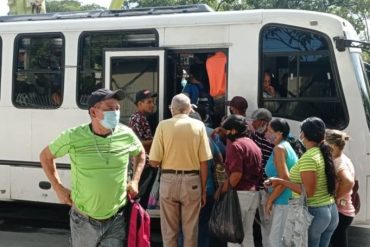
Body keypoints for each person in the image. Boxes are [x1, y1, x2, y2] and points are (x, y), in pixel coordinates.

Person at [39, 88, 146, 247]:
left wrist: (135, 180)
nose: (115, 113)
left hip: (116, 219)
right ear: (93, 112)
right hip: (84, 221)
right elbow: (45, 156)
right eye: (110, 109)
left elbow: (141, 153)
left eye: (117, 109)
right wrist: (58, 188)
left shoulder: (126, 134)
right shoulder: (74, 136)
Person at [149, 93, 212, 247]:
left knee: (169, 231)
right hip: (192, 181)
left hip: (168, 180)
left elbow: (154, 161)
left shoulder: (163, 126)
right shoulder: (199, 126)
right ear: (189, 109)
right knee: (191, 231)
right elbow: (204, 162)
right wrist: (203, 190)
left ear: (172, 109)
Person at [266, 117, 338, 247]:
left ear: (303, 134)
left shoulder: (309, 157)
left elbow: (308, 192)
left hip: (314, 212)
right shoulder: (322, 153)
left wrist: (281, 181)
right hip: (329, 209)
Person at [216, 114, 262, 247]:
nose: (227, 134)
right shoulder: (253, 144)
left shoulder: (236, 146)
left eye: (228, 130)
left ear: (234, 130)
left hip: (239, 194)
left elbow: (236, 175)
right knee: (247, 234)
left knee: (233, 235)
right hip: (253, 193)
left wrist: (222, 190)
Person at [264, 118, 298, 247]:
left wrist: (270, 200)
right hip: (284, 199)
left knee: (275, 241)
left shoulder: (279, 149)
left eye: (269, 130)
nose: (266, 133)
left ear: (279, 133)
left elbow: (284, 179)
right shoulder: (285, 146)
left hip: (282, 200)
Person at [128, 89, 159, 209]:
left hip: (147, 164)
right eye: (149, 102)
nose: (152, 105)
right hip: (143, 166)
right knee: (139, 200)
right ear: (140, 104)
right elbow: (138, 144)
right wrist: (158, 140)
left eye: (153, 102)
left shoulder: (143, 118)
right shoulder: (137, 119)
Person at [249, 108, 274, 247]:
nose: (253, 124)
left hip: (267, 187)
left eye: (255, 122)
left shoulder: (271, 140)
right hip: (258, 185)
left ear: (264, 122)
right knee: (263, 221)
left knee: (267, 221)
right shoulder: (256, 135)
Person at [326, 129, 355, 247]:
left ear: (332, 146)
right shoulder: (344, 158)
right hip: (345, 211)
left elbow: (348, 182)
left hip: (341, 212)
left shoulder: (338, 162)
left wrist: (336, 197)